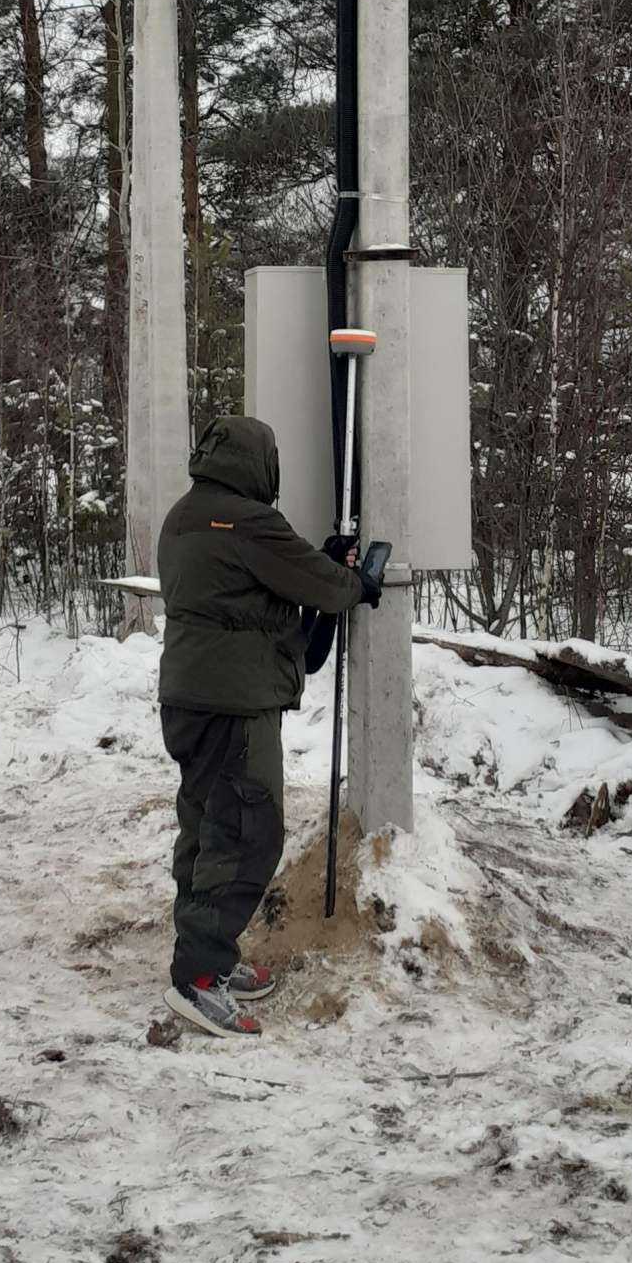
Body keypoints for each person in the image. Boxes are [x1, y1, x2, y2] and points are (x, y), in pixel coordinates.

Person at [157, 414, 382, 1037]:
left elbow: (262, 583)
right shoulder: (248, 521)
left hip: (188, 699)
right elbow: (319, 584)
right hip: (234, 706)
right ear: (260, 464)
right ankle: (198, 980)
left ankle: (207, 960)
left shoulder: (185, 516)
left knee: (204, 831)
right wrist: (354, 582)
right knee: (248, 835)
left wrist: (324, 564)